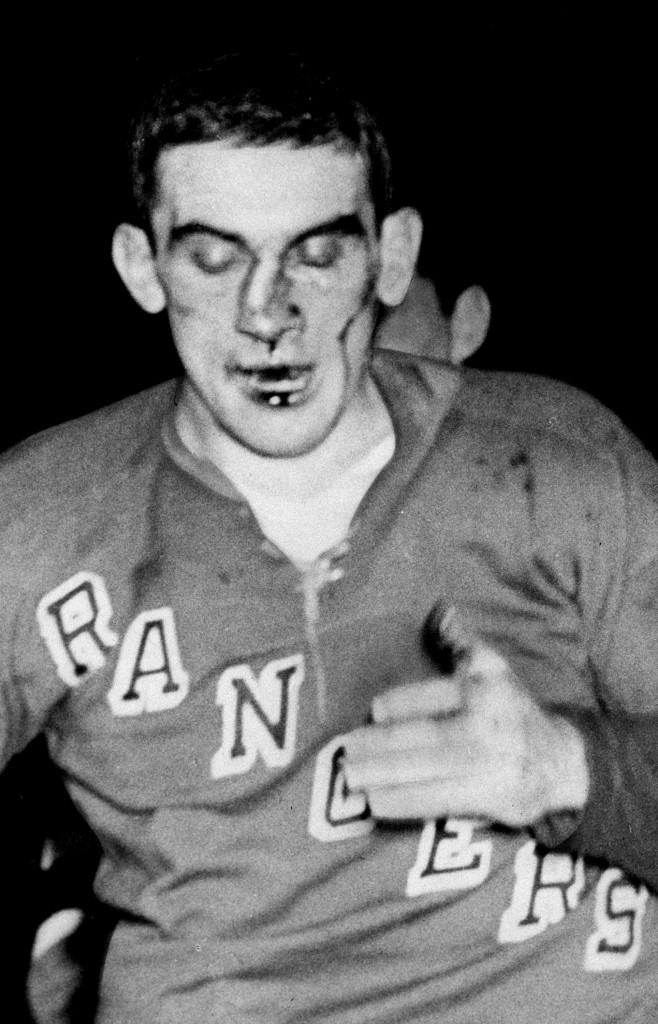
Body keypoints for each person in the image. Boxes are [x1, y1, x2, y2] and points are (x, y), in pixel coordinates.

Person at [1, 53, 656, 1023]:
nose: (268, 315)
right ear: (142, 267)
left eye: (316, 253)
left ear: (390, 255)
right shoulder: (39, 517)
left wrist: (567, 767)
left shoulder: (558, 463)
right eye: (214, 259)